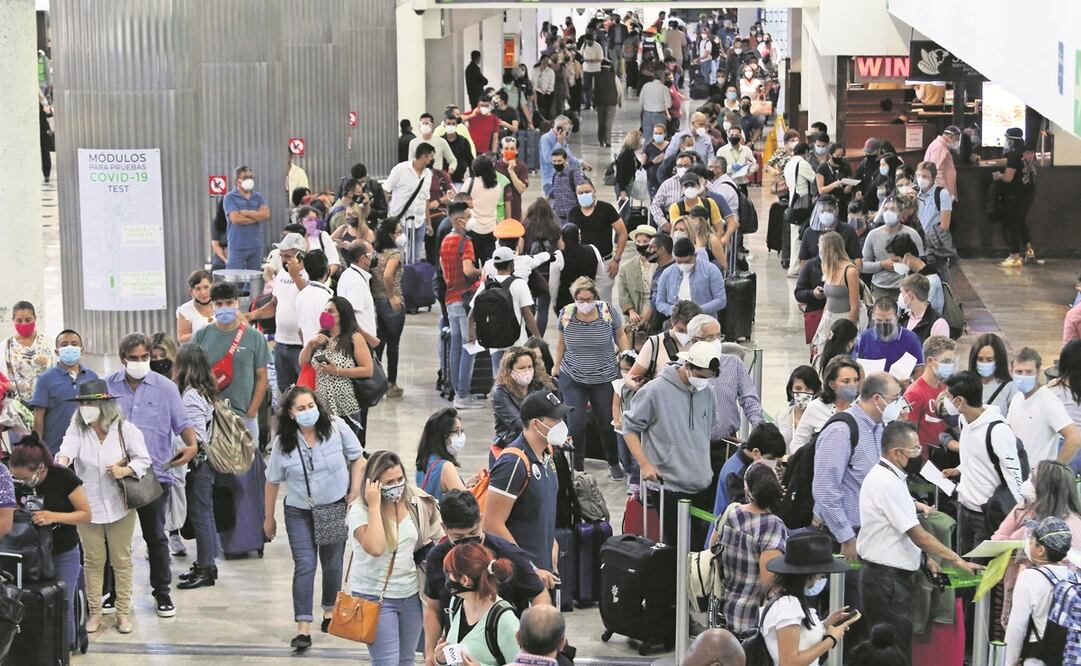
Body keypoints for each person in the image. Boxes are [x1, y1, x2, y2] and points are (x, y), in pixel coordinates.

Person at [857, 420, 980, 662]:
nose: (919, 454)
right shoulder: (887, 482)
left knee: (894, 651)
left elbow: (897, 531)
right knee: (893, 655)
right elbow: (918, 535)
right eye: (914, 449)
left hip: (888, 578)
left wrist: (925, 560)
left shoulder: (892, 477)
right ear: (896, 453)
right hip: (887, 581)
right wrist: (956, 559)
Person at [265, 386, 365, 650]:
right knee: (305, 564)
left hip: (333, 506)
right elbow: (272, 481)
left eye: (311, 406)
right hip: (298, 511)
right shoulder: (283, 443)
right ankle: (303, 627)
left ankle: (329, 610)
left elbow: (358, 458)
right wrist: (268, 518)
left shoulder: (335, 427)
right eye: (301, 408)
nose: (308, 411)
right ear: (290, 413)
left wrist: (355, 491)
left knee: (332, 564)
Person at [106, 333, 197, 619]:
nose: (140, 362)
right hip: (116, 474)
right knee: (113, 538)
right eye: (134, 358)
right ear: (123, 359)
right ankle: (113, 592)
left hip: (153, 473)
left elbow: (182, 423)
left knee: (155, 536)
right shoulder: (107, 386)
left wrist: (192, 446)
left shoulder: (166, 388)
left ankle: (162, 592)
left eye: (144, 357)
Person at [57, 379, 152, 635]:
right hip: (88, 506)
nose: (85, 408)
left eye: (90, 403)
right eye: (82, 404)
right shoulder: (77, 428)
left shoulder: (125, 429)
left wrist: (125, 470)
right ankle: (95, 613)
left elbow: (144, 459)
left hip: (120, 504)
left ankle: (122, 613)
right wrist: (61, 462)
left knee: (121, 560)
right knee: (93, 561)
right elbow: (67, 449)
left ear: (105, 405)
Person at [423, 490, 549, 664]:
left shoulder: (509, 554)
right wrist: (431, 654)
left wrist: (540, 638)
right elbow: (433, 608)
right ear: (444, 528)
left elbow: (539, 594)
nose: (468, 542)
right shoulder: (439, 561)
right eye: (459, 537)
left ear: (481, 520)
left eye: (473, 533)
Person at [349, 450, 442, 665]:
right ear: (373, 484)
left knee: (406, 660)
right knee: (387, 661)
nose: (397, 486)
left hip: (410, 594)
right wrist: (374, 505)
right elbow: (376, 548)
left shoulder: (414, 501)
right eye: (389, 482)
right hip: (374, 596)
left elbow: (436, 534)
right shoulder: (360, 511)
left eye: (400, 479)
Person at [622, 341, 720, 546]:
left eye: (708, 378)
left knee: (696, 547)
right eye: (701, 376)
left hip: (701, 483)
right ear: (687, 365)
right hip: (669, 485)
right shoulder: (655, 390)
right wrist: (644, 464)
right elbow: (629, 427)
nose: (703, 382)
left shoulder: (708, 392)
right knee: (677, 548)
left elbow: (706, 429)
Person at [10, 433, 91, 647]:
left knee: (64, 603)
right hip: (26, 552)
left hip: (63, 550)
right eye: (17, 479)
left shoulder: (63, 477)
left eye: (26, 478)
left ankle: (66, 651)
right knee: (24, 600)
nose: (21, 483)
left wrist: (53, 516)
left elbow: (85, 514)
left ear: (41, 468)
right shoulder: (12, 482)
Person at [814, 372, 900, 564]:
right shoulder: (841, 431)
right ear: (877, 399)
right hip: (846, 537)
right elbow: (825, 490)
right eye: (894, 399)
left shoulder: (879, 429)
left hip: (873, 533)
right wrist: (846, 537)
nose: (898, 404)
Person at [941, 371, 1026, 558]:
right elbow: (973, 455)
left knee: (980, 568)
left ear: (959, 401)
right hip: (964, 508)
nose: (945, 401)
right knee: (964, 565)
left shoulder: (998, 431)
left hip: (985, 515)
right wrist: (958, 470)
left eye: (948, 396)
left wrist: (1019, 516)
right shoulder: (964, 420)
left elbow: (1014, 476)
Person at [482, 391, 565, 580]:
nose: (561, 424)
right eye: (555, 419)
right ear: (536, 424)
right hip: (519, 575)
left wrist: (550, 541)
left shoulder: (547, 455)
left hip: (543, 570)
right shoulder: (513, 463)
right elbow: (492, 523)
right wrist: (529, 567)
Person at [553, 277, 628, 476]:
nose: (585, 303)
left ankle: (613, 461)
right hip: (573, 377)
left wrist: (627, 355)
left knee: (607, 422)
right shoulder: (566, 314)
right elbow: (561, 342)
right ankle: (577, 467)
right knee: (576, 424)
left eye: (589, 299)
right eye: (581, 300)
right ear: (574, 299)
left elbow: (620, 334)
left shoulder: (607, 312)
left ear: (595, 297)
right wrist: (556, 365)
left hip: (604, 377)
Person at [758, 528, 859, 666]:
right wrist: (831, 640)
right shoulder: (788, 607)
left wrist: (825, 624)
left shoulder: (788, 601)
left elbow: (799, 638)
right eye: (820, 573)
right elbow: (789, 663)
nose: (821, 576)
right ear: (809, 574)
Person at [709, 462, 786, 636]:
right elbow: (770, 585)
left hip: (722, 612)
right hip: (751, 622)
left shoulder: (730, 513)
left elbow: (712, 550)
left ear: (747, 489)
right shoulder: (772, 525)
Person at [194, 281, 270, 442]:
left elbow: (262, 376)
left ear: (237, 303)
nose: (224, 308)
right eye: (219, 304)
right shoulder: (201, 336)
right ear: (212, 305)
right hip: (210, 416)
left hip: (245, 417)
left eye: (229, 303)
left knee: (249, 457)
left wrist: (251, 412)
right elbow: (193, 375)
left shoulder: (255, 337)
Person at [1003, 516, 1076, 666]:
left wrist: (1007, 662)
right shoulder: (1074, 577)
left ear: (1041, 550)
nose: (1028, 543)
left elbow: (1017, 629)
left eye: (1031, 541)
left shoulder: (1029, 577)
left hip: (1038, 659)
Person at [434, 543, 521, 666]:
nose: (447, 578)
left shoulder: (504, 619)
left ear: (464, 580)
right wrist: (441, 660)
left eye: (449, 573)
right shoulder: (456, 603)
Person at [300, 296, 375, 438]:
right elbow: (303, 363)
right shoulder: (321, 337)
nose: (325, 314)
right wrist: (310, 344)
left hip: (345, 407)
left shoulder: (354, 338)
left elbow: (368, 370)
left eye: (331, 311)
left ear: (342, 315)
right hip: (322, 407)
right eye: (325, 310)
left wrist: (338, 371)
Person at [248, 233, 310, 391]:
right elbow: (274, 304)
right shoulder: (282, 273)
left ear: (300, 256)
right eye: (281, 256)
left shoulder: (310, 274)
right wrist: (253, 315)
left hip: (301, 346)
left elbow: (310, 299)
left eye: (287, 256)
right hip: (281, 343)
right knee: (284, 390)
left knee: (305, 391)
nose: (283, 260)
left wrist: (295, 276)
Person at [688, 314, 765, 441]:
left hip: (728, 443)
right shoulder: (682, 369)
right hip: (693, 444)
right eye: (710, 337)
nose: (716, 341)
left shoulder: (734, 363)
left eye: (718, 336)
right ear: (695, 342)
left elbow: (749, 399)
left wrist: (760, 429)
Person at [440, 201, 482, 410]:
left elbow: (444, 271)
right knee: (470, 345)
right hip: (465, 301)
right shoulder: (465, 242)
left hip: (450, 299)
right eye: (468, 216)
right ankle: (463, 394)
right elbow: (467, 270)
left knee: (456, 346)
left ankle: (458, 391)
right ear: (459, 220)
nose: (471, 219)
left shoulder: (445, 241)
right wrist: (481, 271)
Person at [1007, 346, 1081, 465]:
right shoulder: (1016, 398)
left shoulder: (1048, 401)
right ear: (1011, 371)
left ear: (1037, 372)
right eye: (1019, 372)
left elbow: (1074, 438)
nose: (1024, 376)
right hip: (1017, 471)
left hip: (1038, 474)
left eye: (1029, 372)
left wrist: (1054, 469)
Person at [30, 329, 98, 455]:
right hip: (54, 451)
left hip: (86, 452)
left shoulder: (92, 377)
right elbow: (38, 417)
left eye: (74, 344)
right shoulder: (46, 379)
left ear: (81, 349)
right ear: (57, 351)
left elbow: (100, 413)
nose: (70, 347)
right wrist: (37, 450)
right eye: (64, 344)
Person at [568, 177, 626, 302]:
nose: (584, 195)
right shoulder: (573, 212)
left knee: (604, 302)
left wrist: (616, 259)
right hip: (581, 264)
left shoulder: (606, 209)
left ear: (594, 191)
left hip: (605, 264)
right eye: (580, 193)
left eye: (587, 191)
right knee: (582, 300)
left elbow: (622, 233)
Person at [491, 347, 556, 450]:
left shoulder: (540, 385)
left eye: (530, 367)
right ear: (509, 370)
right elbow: (518, 424)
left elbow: (557, 408)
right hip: (511, 445)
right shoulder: (500, 393)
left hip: (542, 440)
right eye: (521, 368)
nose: (527, 371)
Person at [861, 196, 925, 301]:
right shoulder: (873, 235)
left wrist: (907, 265)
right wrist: (881, 265)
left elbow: (922, 264)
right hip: (879, 289)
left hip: (905, 289)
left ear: (901, 213)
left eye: (893, 209)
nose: (888, 212)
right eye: (886, 209)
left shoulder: (912, 234)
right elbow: (862, 265)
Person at [903, 336, 955, 458]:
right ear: (930, 361)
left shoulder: (946, 388)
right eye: (946, 361)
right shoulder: (913, 394)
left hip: (944, 458)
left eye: (952, 362)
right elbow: (907, 434)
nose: (950, 366)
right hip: (923, 462)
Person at [812, 231, 864, 350]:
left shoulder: (850, 271)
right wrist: (820, 326)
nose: (820, 252)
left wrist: (845, 334)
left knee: (840, 353)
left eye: (821, 248)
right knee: (824, 351)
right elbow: (828, 302)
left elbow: (854, 307)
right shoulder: (828, 268)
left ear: (830, 250)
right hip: (828, 321)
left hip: (844, 320)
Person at [372, 218, 406, 397]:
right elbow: (388, 275)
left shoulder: (374, 252)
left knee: (378, 345)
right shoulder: (394, 254)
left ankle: (375, 383)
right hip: (391, 304)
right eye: (399, 232)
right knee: (393, 346)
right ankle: (391, 384)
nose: (401, 235)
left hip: (375, 302)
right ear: (392, 234)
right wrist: (392, 295)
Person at [385, 143, 435, 264]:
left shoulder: (428, 174)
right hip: (400, 221)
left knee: (416, 259)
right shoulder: (401, 169)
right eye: (431, 156)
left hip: (419, 221)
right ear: (424, 156)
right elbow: (386, 189)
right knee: (400, 258)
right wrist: (390, 212)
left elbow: (426, 198)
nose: (432, 159)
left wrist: (428, 223)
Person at [655, 237, 726, 319]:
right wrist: (673, 310)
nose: (683, 265)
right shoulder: (667, 273)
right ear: (674, 258)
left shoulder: (711, 270)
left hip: (703, 320)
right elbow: (659, 302)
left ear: (695, 256)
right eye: (679, 262)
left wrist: (698, 310)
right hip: (676, 321)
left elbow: (721, 300)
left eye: (687, 261)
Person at [994, 127, 1035, 267]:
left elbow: (1008, 177)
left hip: (1015, 194)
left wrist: (999, 176)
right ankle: (1029, 250)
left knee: (1013, 224)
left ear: (1012, 140)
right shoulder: (1029, 151)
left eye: (1007, 138)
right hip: (1029, 191)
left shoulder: (1013, 154)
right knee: (1021, 221)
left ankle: (1015, 256)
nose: (1006, 141)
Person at [852, 297, 924, 375]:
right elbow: (854, 367)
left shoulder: (910, 339)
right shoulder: (863, 338)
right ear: (873, 317)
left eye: (888, 320)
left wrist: (909, 381)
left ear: (897, 317)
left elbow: (920, 370)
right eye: (879, 320)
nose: (883, 324)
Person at [415, 408, 473, 501]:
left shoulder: (423, 460)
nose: (461, 435)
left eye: (461, 430)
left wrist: (465, 485)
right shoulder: (446, 467)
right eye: (457, 431)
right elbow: (467, 504)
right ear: (444, 436)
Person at [2, 300, 54, 403]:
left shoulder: (48, 342)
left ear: (35, 318)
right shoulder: (5, 346)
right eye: (19, 320)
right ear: (13, 320)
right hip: (17, 406)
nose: (24, 323)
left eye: (28, 320)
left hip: (48, 402)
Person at [915, 161, 957, 283]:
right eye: (919, 175)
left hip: (934, 244)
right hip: (918, 241)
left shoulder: (942, 194)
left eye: (925, 176)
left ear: (933, 177)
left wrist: (930, 241)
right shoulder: (915, 194)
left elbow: (944, 225)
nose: (921, 179)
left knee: (940, 277)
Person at [223, 166, 271, 269]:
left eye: (251, 177)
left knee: (254, 276)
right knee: (233, 276)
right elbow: (236, 219)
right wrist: (257, 217)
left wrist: (246, 213)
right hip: (237, 245)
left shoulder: (258, 197)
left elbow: (266, 215)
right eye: (245, 177)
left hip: (256, 245)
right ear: (237, 180)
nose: (249, 180)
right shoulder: (229, 197)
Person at [548, 223, 601, 314]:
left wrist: (554, 302)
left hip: (566, 302)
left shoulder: (558, 256)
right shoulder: (593, 249)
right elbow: (601, 275)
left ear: (562, 238)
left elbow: (553, 284)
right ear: (579, 237)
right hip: (590, 298)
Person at [884, 234, 943, 313]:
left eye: (896, 261)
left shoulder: (931, 281)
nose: (893, 265)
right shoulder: (910, 273)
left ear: (907, 256)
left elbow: (920, 311)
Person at [336, 242, 380, 346]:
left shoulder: (349, 274)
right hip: (359, 343)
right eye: (372, 254)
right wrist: (369, 339)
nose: (374, 256)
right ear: (363, 258)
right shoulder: (356, 283)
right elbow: (349, 317)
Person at [967, 333, 1019, 416]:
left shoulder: (1010, 387)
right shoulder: (966, 384)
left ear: (999, 360)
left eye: (989, 360)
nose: (984, 363)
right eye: (980, 359)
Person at [539, 116, 590, 197]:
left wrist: (581, 163)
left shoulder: (563, 139)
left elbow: (568, 156)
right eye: (567, 130)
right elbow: (548, 158)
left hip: (564, 177)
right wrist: (559, 143)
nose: (568, 133)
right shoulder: (546, 139)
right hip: (550, 180)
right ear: (560, 129)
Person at [776, 366, 822, 448]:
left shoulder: (822, 417)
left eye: (808, 389)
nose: (803, 393)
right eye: (798, 389)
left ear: (815, 392)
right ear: (791, 391)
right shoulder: (781, 416)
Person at [898, 274, 949, 343]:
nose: (900, 296)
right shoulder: (903, 319)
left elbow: (941, 349)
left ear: (909, 296)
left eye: (901, 292)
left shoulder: (938, 323)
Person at [495, 136, 529, 223]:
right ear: (501, 150)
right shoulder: (495, 166)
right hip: (498, 211)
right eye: (506, 148)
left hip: (515, 210)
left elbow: (521, 189)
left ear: (516, 150)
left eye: (512, 149)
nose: (509, 151)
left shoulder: (522, 167)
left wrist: (511, 171)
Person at [175, 270, 214, 343]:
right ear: (191, 291)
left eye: (206, 287)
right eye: (198, 288)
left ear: (212, 286)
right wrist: (202, 334)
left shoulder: (221, 304)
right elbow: (181, 338)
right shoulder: (185, 310)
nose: (203, 292)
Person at [923, 126, 960, 200]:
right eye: (956, 139)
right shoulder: (939, 147)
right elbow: (936, 171)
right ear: (951, 136)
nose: (957, 142)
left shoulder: (939, 145)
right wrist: (944, 192)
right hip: (940, 191)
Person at [715, 126, 757, 191]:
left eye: (736, 135)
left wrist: (749, 170)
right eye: (732, 135)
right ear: (728, 136)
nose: (734, 137)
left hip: (742, 183)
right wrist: (731, 167)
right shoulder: (721, 151)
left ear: (740, 136)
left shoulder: (746, 150)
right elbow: (718, 168)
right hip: (727, 183)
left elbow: (755, 164)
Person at [639, 72, 673, 136]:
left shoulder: (646, 86)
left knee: (647, 136)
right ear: (662, 78)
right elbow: (669, 105)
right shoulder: (664, 88)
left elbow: (641, 102)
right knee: (659, 136)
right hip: (660, 115)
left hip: (647, 114)